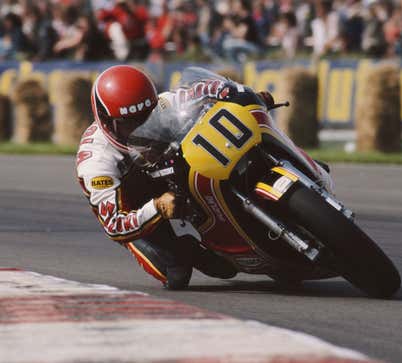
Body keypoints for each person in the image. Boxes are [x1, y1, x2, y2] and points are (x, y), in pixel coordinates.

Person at [76, 65, 275, 290]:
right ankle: (190, 247)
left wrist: (237, 95)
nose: (142, 127)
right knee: (177, 273)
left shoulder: (163, 104)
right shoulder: (96, 161)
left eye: (147, 116)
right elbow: (114, 225)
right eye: (130, 123)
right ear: (106, 122)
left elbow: (201, 90)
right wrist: (157, 206)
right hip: (138, 199)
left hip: (174, 163)